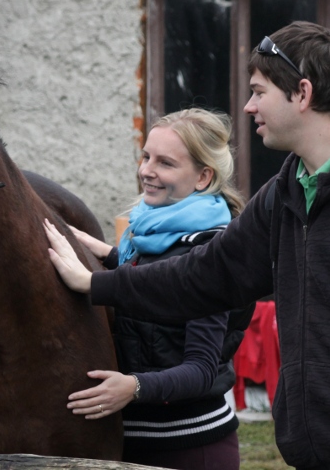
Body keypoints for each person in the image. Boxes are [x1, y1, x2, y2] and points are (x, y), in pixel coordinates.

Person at [45, 21, 330, 470]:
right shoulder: (283, 193)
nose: (248, 106)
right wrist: (97, 282)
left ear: (302, 93)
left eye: (259, 92)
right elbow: (199, 277)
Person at [46, 107, 250, 470]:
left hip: (192, 449)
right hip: (130, 445)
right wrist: (109, 256)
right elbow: (159, 281)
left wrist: (133, 386)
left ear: (203, 177)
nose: (147, 171)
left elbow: (201, 369)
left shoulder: (214, 254)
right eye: (146, 157)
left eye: (166, 163)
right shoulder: (147, 235)